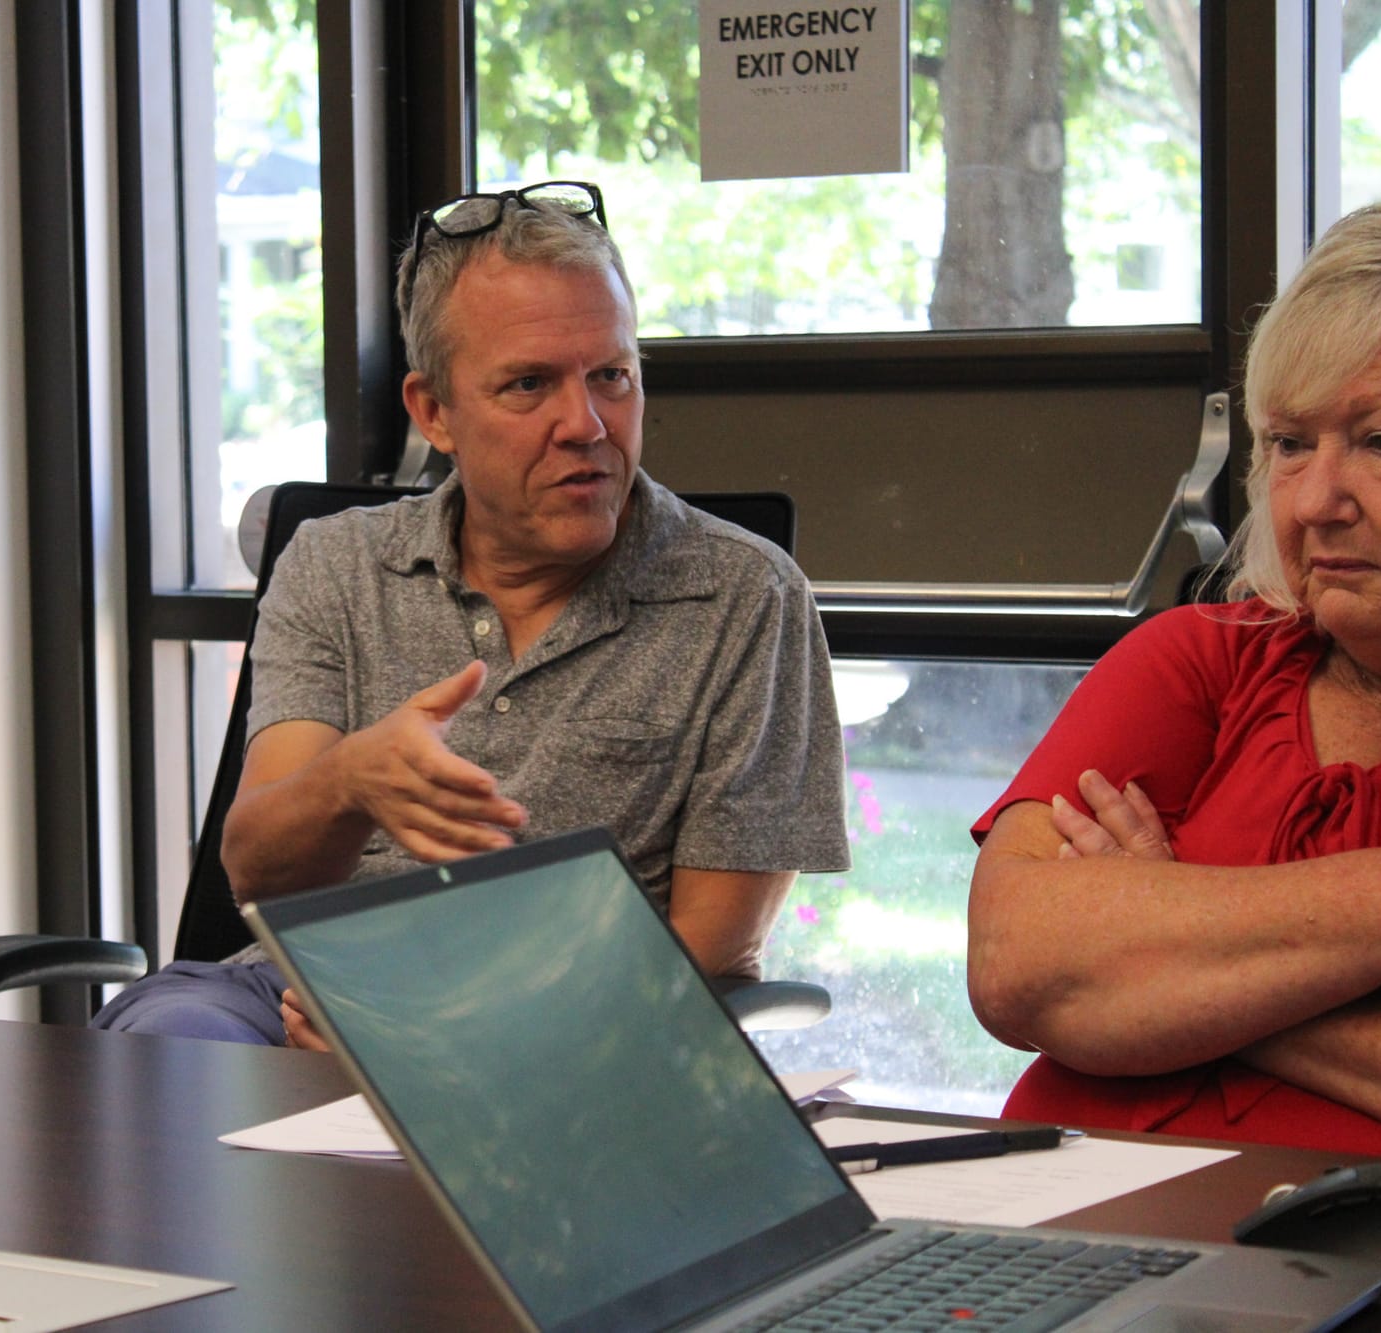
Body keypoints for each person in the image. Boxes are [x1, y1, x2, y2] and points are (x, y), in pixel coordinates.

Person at [96, 181, 848, 1047]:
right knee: (163, 1048)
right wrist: (351, 782)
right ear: (434, 412)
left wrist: (438, 1040)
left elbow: (714, 952)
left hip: (581, 1025)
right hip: (308, 994)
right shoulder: (336, 563)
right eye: (529, 384)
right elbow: (258, 875)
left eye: (612, 376)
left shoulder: (743, 595)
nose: (587, 424)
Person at [968, 195, 1381, 1161]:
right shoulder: (1201, 658)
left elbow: (1082, 978)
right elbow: (1019, 965)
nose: (1314, 501)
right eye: (1290, 443)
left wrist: (1172, 949)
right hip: (1043, 1212)